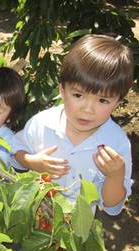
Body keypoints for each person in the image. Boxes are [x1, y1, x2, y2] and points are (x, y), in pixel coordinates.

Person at [13, 34, 134, 216]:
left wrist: (115, 175)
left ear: (117, 102)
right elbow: (13, 151)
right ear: (62, 89)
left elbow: (111, 206)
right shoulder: (42, 123)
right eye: (78, 95)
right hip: (31, 219)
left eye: (102, 100)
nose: (87, 109)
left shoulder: (116, 144)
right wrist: (31, 161)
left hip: (74, 233)